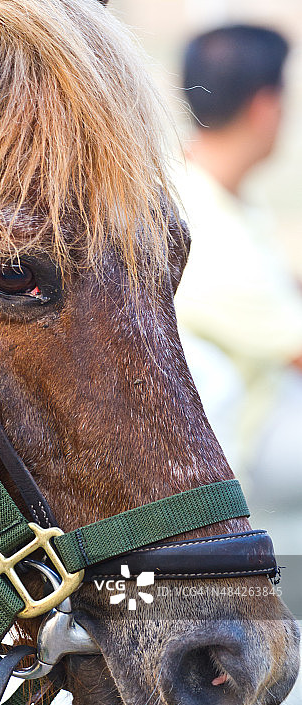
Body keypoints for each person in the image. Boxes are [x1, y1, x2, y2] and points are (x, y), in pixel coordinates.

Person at [174, 24, 302, 513]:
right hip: (240, 449)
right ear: (266, 107)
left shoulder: (194, 179)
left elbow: (280, 283)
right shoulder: (212, 235)